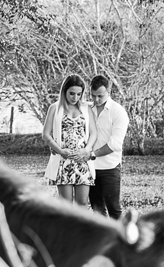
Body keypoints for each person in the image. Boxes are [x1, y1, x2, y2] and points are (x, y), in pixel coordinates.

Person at [42, 74, 97, 206]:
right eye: (72, 93)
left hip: (82, 160)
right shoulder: (55, 108)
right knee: (66, 203)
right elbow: (46, 135)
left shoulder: (86, 108)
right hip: (63, 160)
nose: (75, 97)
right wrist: (60, 151)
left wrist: (86, 150)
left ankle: (82, 227)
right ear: (64, 91)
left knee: (82, 202)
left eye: (79, 94)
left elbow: (94, 133)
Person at [87, 74, 129, 220]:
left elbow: (115, 143)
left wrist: (92, 154)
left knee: (114, 210)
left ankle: (123, 241)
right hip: (90, 168)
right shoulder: (86, 109)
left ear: (109, 93)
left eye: (100, 96)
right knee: (97, 210)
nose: (96, 100)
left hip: (110, 167)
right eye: (93, 95)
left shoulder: (118, 112)